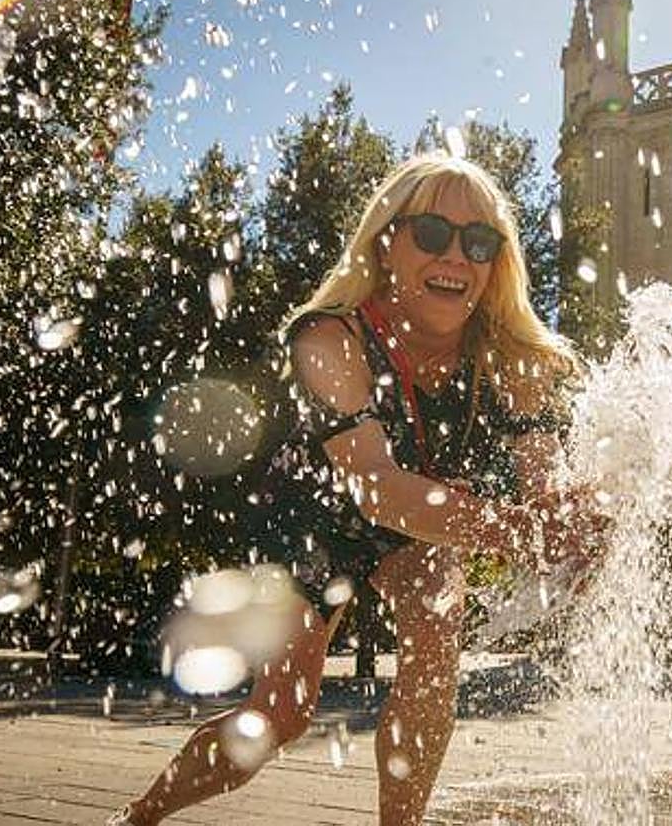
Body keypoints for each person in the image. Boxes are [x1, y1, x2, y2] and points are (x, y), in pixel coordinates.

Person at [110, 154, 604, 826]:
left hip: (424, 519)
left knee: (434, 658)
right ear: (387, 241)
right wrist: (517, 530)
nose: (455, 255)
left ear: (497, 264)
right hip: (312, 519)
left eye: (479, 242)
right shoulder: (329, 336)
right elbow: (376, 490)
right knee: (279, 715)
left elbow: (542, 476)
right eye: (431, 233)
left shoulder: (511, 355)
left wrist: (571, 522)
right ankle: (141, 816)